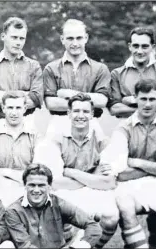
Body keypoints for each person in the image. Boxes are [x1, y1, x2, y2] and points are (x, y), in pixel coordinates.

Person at [106, 79, 156, 248]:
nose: (147, 104)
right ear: (135, 98)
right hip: (128, 186)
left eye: (152, 99)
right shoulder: (122, 128)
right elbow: (121, 174)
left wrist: (136, 162)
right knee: (126, 207)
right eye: (143, 99)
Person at [34, 93, 119, 248]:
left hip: (94, 190)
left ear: (92, 114)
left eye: (86, 112)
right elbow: (54, 182)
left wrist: (70, 172)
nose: (81, 116)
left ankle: (92, 246)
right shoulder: (55, 140)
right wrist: (93, 177)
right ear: (68, 113)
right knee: (57, 221)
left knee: (111, 217)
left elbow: (109, 182)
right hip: (67, 192)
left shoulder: (102, 141)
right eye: (76, 111)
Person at [5, 164, 102, 249]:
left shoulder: (59, 204)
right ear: (25, 185)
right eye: (32, 185)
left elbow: (92, 225)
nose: (36, 190)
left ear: (49, 186)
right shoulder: (13, 211)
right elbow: (24, 246)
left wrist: (81, 245)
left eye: (41, 185)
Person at [42, 19, 109, 136]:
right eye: (70, 38)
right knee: (51, 153)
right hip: (59, 122)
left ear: (86, 38)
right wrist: (88, 100)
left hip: (91, 122)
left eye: (79, 38)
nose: (75, 43)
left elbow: (102, 100)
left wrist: (67, 93)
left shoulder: (100, 68)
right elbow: (51, 103)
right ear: (62, 39)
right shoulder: (51, 68)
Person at [0, 17, 43, 123]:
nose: (18, 42)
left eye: (22, 38)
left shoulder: (34, 66)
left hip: (26, 121)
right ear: (3, 36)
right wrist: (24, 94)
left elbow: (36, 99)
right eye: (14, 37)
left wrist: (1, 95)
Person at [109, 27, 156, 119]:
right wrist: (152, 103)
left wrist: (128, 100)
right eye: (136, 46)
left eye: (144, 46)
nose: (140, 51)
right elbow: (115, 109)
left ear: (152, 47)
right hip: (127, 128)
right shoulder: (116, 74)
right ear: (130, 46)